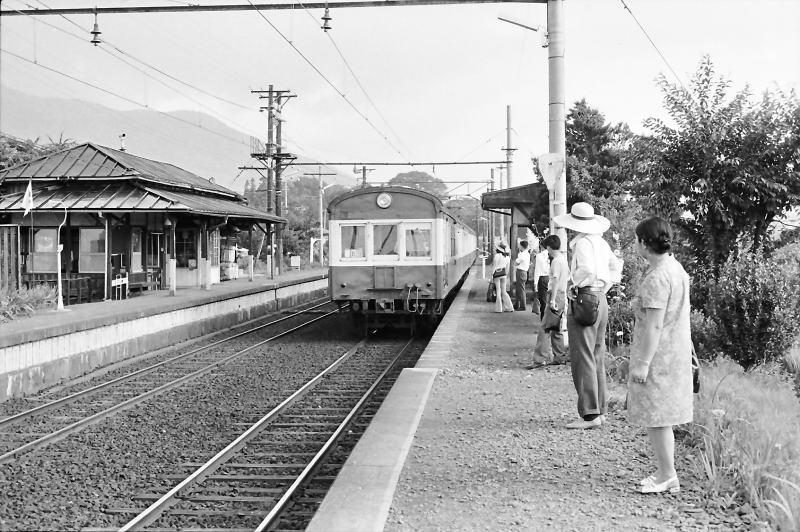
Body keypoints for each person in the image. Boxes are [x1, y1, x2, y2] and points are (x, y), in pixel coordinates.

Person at [628, 216, 692, 494]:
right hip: (675, 351)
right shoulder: (676, 268)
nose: (635, 244)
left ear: (644, 243)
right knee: (660, 417)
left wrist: (642, 363)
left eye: (636, 239)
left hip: (658, 355)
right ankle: (664, 472)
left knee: (657, 418)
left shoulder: (657, 277)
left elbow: (654, 324)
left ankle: (667, 475)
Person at [553, 202, 622, 430]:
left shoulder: (582, 243)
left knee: (582, 356)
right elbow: (615, 267)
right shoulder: (601, 242)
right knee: (596, 354)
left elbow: (588, 271)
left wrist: (576, 284)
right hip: (600, 299)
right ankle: (600, 411)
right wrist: (605, 287)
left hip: (585, 299)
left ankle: (590, 415)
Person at [528, 235, 569, 367]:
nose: (547, 251)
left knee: (544, 328)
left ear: (550, 247)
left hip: (555, 295)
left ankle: (540, 359)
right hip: (562, 295)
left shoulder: (556, 261)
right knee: (556, 328)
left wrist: (551, 300)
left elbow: (555, 280)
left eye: (548, 248)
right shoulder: (563, 259)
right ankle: (560, 357)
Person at [492, 243, 514, 313]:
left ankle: (499, 309)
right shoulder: (507, 257)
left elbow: (494, 266)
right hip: (504, 274)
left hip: (497, 274)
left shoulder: (497, 256)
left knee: (498, 291)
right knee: (504, 291)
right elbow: (507, 269)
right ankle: (509, 307)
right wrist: (506, 275)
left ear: (498, 249)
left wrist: (491, 274)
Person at [532, 241, 550, 317]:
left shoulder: (539, 256)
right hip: (551, 278)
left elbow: (537, 270)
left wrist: (535, 283)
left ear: (541, 246)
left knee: (543, 300)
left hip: (542, 278)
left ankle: (544, 319)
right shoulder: (551, 255)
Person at [514, 240, 531, 310]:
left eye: (519, 245)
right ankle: (516, 304)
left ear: (522, 246)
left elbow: (516, 262)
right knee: (519, 289)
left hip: (521, 272)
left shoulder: (523, 254)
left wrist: (516, 262)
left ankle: (523, 306)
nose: (518, 246)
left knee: (521, 289)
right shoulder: (527, 253)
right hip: (523, 272)